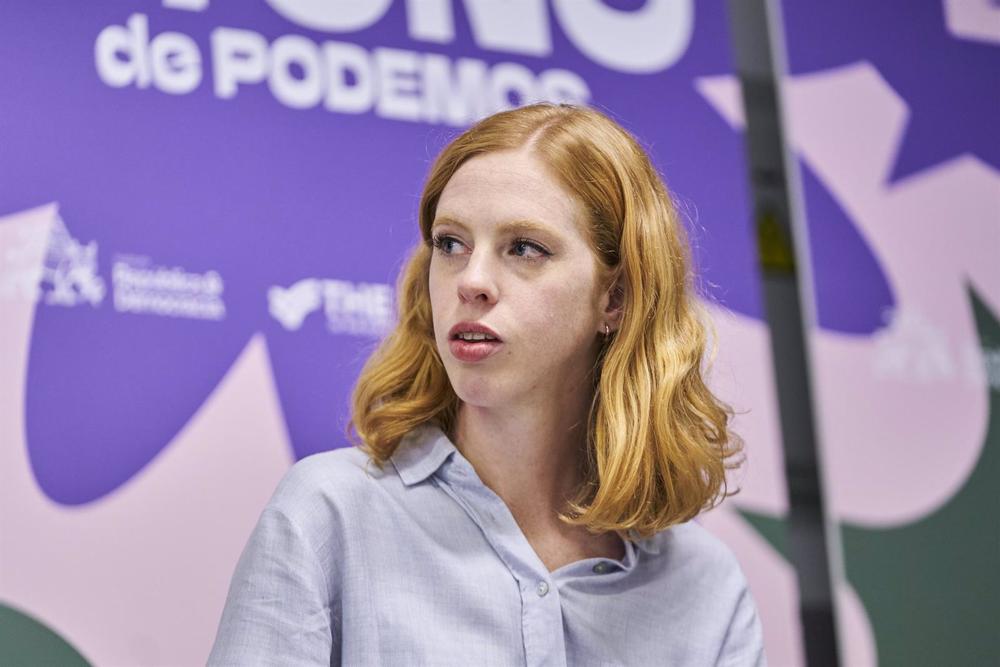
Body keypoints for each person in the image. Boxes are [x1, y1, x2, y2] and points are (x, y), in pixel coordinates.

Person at [208, 103, 765, 666]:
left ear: (614, 298)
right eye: (450, 244)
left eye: (524, 248)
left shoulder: (704, 587)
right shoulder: (330, 514)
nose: (471, 281)